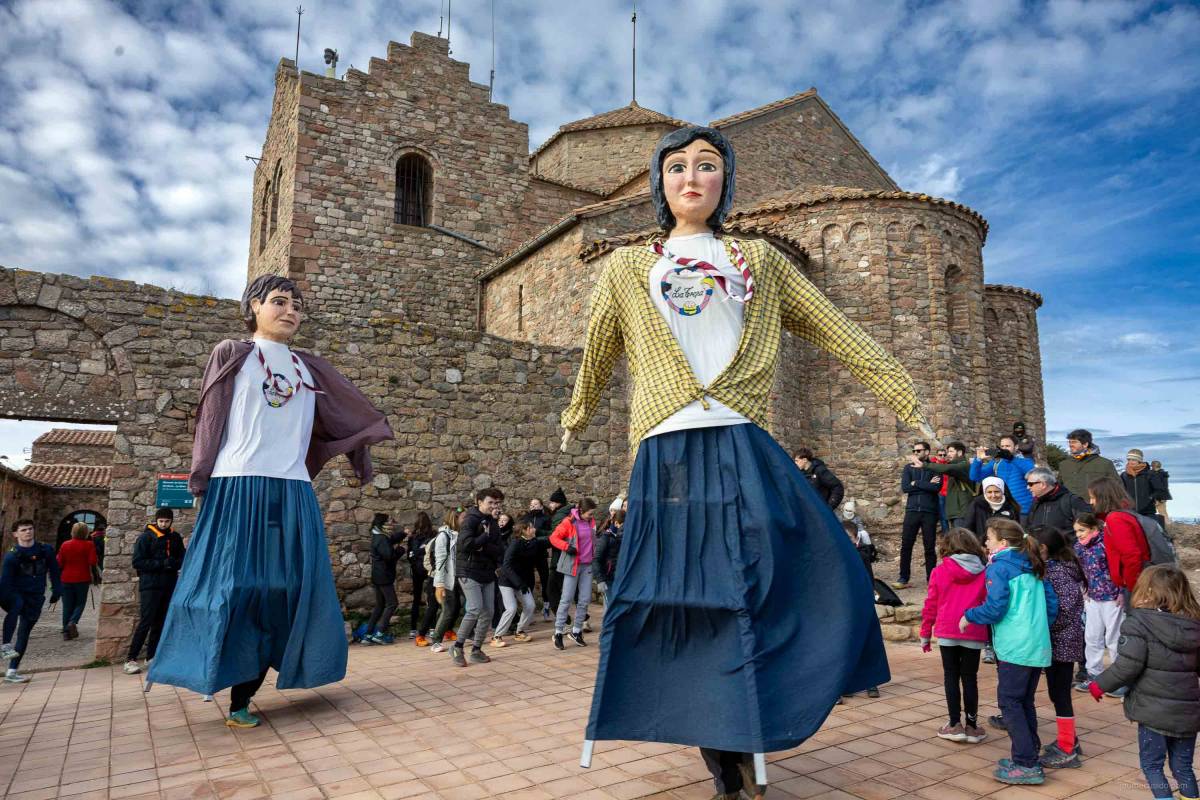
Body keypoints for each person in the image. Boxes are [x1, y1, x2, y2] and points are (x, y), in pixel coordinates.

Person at [561, 124, 927, 799]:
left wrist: (901, 392)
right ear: (658, 182)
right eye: (676, 167)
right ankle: (719, 753)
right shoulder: (626, 265)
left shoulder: (758, 259)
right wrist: (576, 412)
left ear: (726, 179)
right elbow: (599, 348)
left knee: (805, 570)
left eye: (706, 165)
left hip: (742, 439)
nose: (691, 177)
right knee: (686, 596)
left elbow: (834, 327)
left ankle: (764, 715)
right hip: (667, 450)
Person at [147, 274, 393, 728]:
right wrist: (201, 475)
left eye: (297, 304)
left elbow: (348, 414)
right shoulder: (234, 354)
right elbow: (211, 414)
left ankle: (251, 689)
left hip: (293, 488)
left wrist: (361, 458)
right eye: (279, 301)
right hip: (238, 484)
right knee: (234, 587)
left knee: (293, 589)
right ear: (253, 308)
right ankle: (218, 677)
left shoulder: (310, 368)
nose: (291, 310)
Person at [1086, 565, 1200, 800]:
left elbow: (1127, 666)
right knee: (1183, 769)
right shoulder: (1194, 626)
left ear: (1147, 591)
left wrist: (1100, 684)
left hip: (1152, 714)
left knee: (1152, 766)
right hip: (1188, 714)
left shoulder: (1138, 624)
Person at [962, 518, 1059, 786]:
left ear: (1003, 543)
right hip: (1036, 644)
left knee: (1010, 703)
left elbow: (995, 608)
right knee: (1023, 701)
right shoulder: (1034, 564)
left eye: (989, 539)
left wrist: (969, 615)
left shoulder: (1000, 568)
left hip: (1015, 647)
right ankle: (1029, 754)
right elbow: (1051, 605)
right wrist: (1035, 626)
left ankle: (1026, 763)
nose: (985, 543)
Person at [919, 528, 988, 744]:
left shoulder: (939, 571)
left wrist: (925, 632)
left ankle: (954, 723)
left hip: (948, 629)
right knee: (970, 677)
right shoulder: (985, 570)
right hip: (974, 629)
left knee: (951, 675)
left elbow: (931, 604)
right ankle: (973, 725)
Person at [1030, 526, 1087, 769]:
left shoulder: (1057, 574)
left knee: (1060, 694)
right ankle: (1069, 739)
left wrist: (1042, 627)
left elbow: (1062, 611)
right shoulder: (1062, 569)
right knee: (1058, 693)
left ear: (1043, 549)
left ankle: (1067, 748)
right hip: (1065, 640)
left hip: (1062, 642)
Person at [124, 509, 186, 673]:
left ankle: (151, 657)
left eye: (167, 521)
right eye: (161, 521)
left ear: (171, 521)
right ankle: (130, 659)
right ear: (156, 521)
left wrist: (173, 563)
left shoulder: (175, 537)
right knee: (146, 621)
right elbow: (138, 562)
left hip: (168, 584)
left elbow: (182, 558)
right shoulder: (145, 538)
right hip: (150, 585)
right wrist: (162, 564)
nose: (164, 524)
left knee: (160, 622)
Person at [0, 520, 62, 683]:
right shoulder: (12, 556)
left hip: (35, 596)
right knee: (14, 615)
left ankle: (12, 671)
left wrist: (57, 589)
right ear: (15, 534)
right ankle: (6, 646)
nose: (28, 532)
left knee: (24, 632)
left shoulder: (45, 550)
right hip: (17, 593)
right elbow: (5, 581)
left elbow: (55, 571)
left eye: (30, 529)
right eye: (23, 530)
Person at [451, 488, 505, 667]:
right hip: (468, 571)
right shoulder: (470, 520)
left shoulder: (493, 522)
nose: (494, 506)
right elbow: (465, 545)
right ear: (479, 502)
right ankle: (457, 647)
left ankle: (476, 650)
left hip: (487, 572)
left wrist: (483, 545)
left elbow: (499, 550)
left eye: (496, 503)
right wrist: (484, 538)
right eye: (490, 502)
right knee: (474, 608)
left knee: (488, 612)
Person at [1072, 513, 1124, 691]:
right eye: (1076, 531)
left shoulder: (1106, 545)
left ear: (1094, 529)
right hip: (1092, 598)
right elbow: (1078, 570)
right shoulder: (1078, 547)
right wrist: (1083, 588)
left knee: (1114, 638)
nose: (1079, 534)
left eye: (1082, 530)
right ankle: (1094, 675)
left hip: (1112, 598)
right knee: (1092, 637)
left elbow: (1119, 568)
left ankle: (1118, 679)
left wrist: (1122, 591)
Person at [1088, 476, 1151, 602]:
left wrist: (1133, 587)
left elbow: (1132, 555)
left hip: (1136, 584)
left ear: (1103, 497)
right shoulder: (1124, 513)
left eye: (1093, 497)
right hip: (1141, 579)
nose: (1090, 502)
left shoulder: (1116, 519)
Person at [549, 498, 597, 649]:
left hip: (587, 565)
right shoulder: (569, 522)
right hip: (572, 566)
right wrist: (566, 546)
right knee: (566, 599)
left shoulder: (591, 522)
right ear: (581, 512)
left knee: (584, 600)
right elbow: (553, 538)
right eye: (589, 514)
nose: (591, 516)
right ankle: (558, 632)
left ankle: (576, 631)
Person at [895, 441, 942, 589]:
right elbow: (906, 487)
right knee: (906, 545)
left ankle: (931, 580)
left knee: (929, 547)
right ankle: (903, 578)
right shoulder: (908, 468)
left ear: (927, 452)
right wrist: (924, 484)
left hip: (929, 512)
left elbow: (936, 487)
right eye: (914, 451)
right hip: (912, 511)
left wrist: (916, 483)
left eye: (918, 451)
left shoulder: (934, 468)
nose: (915, 453)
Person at [494, 521, 544, 645]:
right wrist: (519, 583)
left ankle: (520, 631)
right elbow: (506, 566)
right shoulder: (515, 544)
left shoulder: (533, 542)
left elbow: (548, 539)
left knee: (530, 605)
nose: (534, 529)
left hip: (522, 582)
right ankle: (497, 637)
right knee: (511, 608)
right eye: (531, 527)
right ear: (525, 530)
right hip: (507, 580)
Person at [969, 437, 1035, 516]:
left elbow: (1033, 473)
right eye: (1002, 446)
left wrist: (1011, 458)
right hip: (1004, 509)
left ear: (1016, 447)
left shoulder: (1025, 461)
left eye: (1007, 446)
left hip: (1023, 510)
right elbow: (975, 477)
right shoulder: (996, 462)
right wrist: (978, 460)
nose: (1004, 449)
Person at [56, 521, 98, 641]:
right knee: (80, 603)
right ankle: (73, 622)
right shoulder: (89, 545)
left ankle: (65, 631)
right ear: (86, 533)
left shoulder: (65, 544)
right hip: (82, 578)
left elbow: (59, 562)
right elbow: (92, 561)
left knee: (67, 605)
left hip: (66, 578)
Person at [364, 513, 401, 645]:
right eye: (389, 521)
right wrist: (401, 550)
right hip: (384, 576)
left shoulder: (378, 536)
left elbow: (390, 540)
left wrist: (403, 534)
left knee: (380, 606)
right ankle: (379, 633)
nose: (391, 524)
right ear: (383, 524)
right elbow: (389, 556)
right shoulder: (381, 538)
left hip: (378, 575)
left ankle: (368, 634)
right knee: (392, 603)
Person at [428, 509, 461, 653]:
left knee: (467, 606)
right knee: (448, 610)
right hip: (448, 579)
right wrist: (440, 584)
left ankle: (469, 632)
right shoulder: (443, 536)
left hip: (461, 577)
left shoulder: (458, 534)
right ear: (454, 519)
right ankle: (436, 640)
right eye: (462, 518)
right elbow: (440, 561)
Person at [923, 441, 976, 530]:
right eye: (948, 452)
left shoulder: (964, 465)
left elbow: (947, 468)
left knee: (962, 540)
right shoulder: (955, 465)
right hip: (957, 512)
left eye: (951, 451)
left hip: (962, 512)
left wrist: (924, 465)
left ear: (959, 452)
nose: (948, 454)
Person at [1025, 466, 1092, 536]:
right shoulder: (1036, 503)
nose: (1027, 487)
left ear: (1043, 484)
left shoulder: (1072, 501)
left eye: (1030, 484)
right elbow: (1029, 528)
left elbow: (1088, 529)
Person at [1058, 429, 1118, 499]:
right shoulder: (1064, 464)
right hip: (1068, 507)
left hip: (1094, 508)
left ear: (1085, 444)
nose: (1071, 445)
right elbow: (1059, 488)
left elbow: (1117, 488)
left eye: (1074, 442)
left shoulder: (1105, 464)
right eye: (1069, 442)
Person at [961, 476, 1021, 543]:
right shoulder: (976, 505)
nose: (993, 495)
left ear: (1002, 491)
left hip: (1003, 548)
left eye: (997, 491)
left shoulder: (1011, 507)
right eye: (989, 492)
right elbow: (967, 529)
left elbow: (1015, 532)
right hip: (980, 547)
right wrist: (978, 546)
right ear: (984, 492)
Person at [406, 511, 436, 642]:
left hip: (416, 569)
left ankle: (413, 629)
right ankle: (432, 628)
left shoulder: (413, 536)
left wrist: (414, 556)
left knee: (416, 600)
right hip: (429, 569)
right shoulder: (433, 534)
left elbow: (409, 554)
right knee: (432, 599)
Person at [544, 487, 572, 621]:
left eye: (552, 502)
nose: (550, 505)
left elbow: (554, 537)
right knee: (570, 589)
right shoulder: (569, 513)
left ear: (558, 503)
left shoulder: (559, 516)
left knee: (552, 590)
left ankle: (564, 619)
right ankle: (582, 618)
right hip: (567, 557)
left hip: (560, 558)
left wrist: (534, 538)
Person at [1122, 449, 1167, 524]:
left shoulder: (1150, 474)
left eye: (1133, 460)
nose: (1130, 462)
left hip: (1147, 511)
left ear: (1139, 460)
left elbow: (1159, 489)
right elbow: (1121, 491)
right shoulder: (1124, 475)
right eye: (1129, 459)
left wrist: (1150, 498)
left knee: (1152, 533)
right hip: (1130, 511)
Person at [593, 509, 623, 608]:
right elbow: (596, 559)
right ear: (615, 523)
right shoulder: (605, 537)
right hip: (608, 577)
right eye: (620, 525)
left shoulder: (625, 537)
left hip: (621, 577)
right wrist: (600, 580)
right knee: (610, 608)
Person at [1149, 460, 1172, 526]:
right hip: (1161, 496)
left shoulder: (1154, 474)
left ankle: (1166, 525)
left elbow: (1161, 487)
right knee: (1163, 511)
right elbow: (1165, 487)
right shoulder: (1163, 474)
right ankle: (1167, 524)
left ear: (1153, 466)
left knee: (1161, 512)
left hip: (1156, 496)